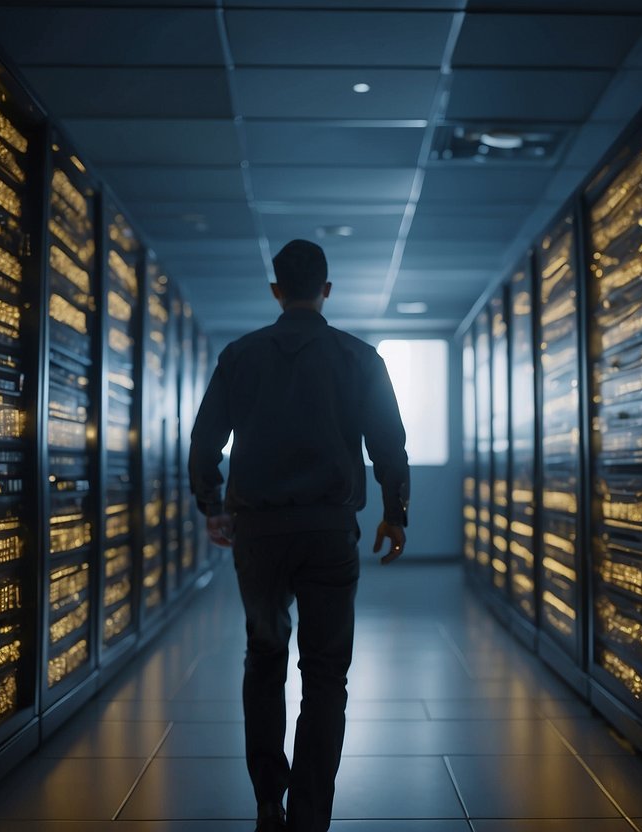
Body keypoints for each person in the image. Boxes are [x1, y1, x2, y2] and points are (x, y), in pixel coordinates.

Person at [188, 239, 410, 832]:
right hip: (330, 534)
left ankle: (268, 802)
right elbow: (389, 443)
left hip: (258, 538)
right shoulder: (360, 359)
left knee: (264, 660)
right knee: (326, 673)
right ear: (327, 291)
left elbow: (205, 440)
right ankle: (310, 815)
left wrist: (211, 503)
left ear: (276, 291)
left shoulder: (241, 356)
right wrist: (396, 512)